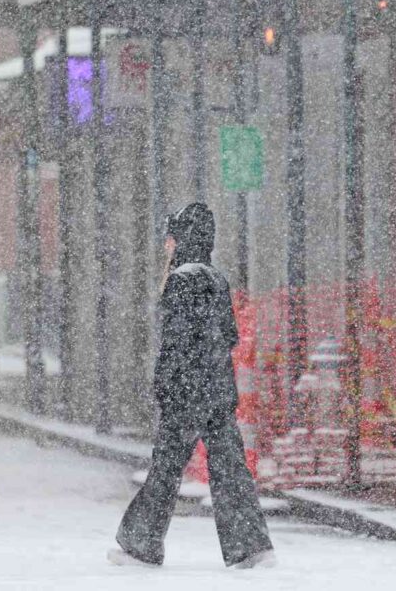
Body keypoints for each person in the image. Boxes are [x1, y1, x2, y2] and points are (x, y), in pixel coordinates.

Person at [108, 202, 275, 569]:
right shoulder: (216, 277)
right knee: (230, 470)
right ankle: (250, 547)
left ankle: (140, 544)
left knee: (165, 470)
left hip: (186, 393)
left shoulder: (181, 279)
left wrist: (167, 385)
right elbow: (229, 335)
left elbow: (176, 344)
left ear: (184, 239)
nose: (168, 245)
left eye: (172, 237)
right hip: (217, 390)